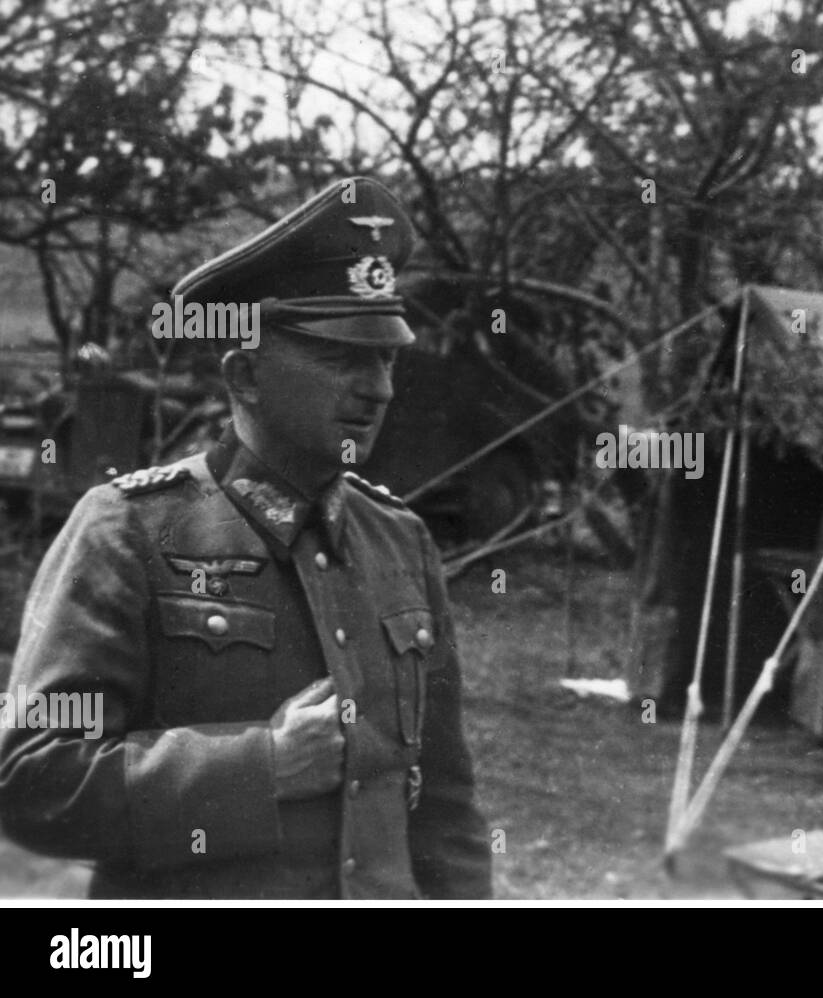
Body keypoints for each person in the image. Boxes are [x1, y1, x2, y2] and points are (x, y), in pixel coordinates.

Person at [0, 177, 492, 899]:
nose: (379, 388)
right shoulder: (128, 530)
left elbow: (446, 810)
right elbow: (30, 777)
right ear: (246, 373)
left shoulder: (401, 542)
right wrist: (263, 766)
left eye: (386, 358)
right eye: (344, 357)